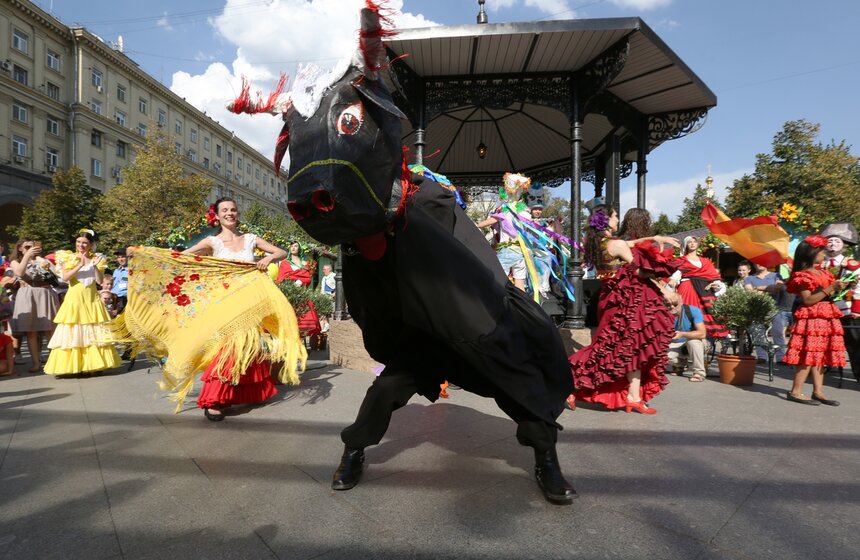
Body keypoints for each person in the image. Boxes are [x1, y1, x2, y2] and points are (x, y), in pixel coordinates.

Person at [182, 197, 289, 420]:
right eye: (225, 210)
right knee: (229, 349)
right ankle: (215, 399)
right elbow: (182, 256)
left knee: (248, 347)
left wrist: (268, 259)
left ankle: (243, 393)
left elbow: (282, 252)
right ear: (217, 215)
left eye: (233, 209)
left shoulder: (250, 239)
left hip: (250, 302)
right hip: (226, 304)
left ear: (237, 213)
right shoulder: (212, 242)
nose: (230, 213)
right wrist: (147, 255)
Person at [567, 206, 682, 414]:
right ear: (606, 220)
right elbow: (640, 272)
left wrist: (654, 238)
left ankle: (633, 397)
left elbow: (630, 243)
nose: (618, 220)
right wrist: (664, 284)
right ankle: (567, 383)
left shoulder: (600, 242)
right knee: (608, 349)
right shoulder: (616, 244)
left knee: (632, 348)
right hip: (623, 303)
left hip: (611, 298)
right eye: (615, 216)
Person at [43, 229, 122, 376]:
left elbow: (100, 281)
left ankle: (93, 364)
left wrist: (94, 266)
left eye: (85, 243)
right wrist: (79, 265)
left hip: (91, 299)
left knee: (92, 331)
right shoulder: (68, 257)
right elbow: (65, 277)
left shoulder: (97, 258)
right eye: (78, 242)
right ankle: (74, 366)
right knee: (73, 331)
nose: (81, 245)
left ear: (91, 244)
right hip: (75, 299)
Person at [783, 235, 848, 406]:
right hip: (812, 318)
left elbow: (826, 293)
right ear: (811, 253)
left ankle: (818, 391)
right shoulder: (803, 275)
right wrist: (831, 288)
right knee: (808, 355)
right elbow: (808, 300)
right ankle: (796, 391)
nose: (824, 254)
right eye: (821, 251)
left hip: (825, 316)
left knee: (820, 355)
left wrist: (842, 286)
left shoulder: (823, 272)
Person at [9, 238, 60, 372]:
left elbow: (58, 274)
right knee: (31, 331)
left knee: (50, 329)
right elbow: (19, 272)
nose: (30, 249)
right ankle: (36, 363)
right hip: (27, 294)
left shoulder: (41, 260)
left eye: (33, 247)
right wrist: (27, 256)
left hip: (45, 293)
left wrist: (43, 262)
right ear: (20, 248)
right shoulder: (16, 261)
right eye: (27, 247)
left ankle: (55, 361)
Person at [676, 236, 729, 339]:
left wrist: (716, 284)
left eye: (694, 241)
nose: (692, 243)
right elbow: (676, 274)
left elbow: (713, 276)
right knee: (687, 311)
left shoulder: (705, 261)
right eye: (689, 242)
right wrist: (673, 281)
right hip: (688, 289)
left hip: (704, 290)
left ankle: (707, 338)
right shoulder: (682, 260)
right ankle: (685, 335)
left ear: (697, 244)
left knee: (708, 312)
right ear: (686, 245)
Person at [743, 263, 787, 362]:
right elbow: (750, 292)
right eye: (757, 262)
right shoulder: (749, 278)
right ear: (754, 264)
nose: (759, 264)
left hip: (774, 309)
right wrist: (769, 289)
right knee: (758, 334)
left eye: (762, 262)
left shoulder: (776, 275)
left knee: (778, 333)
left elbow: (778, 288)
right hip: (757, 309)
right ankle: (762, 357)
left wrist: (757, 288)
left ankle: (781, 358)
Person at [667, 299, 708, 382]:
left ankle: (699, 373)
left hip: (694, 342)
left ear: (681, 303)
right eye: (668, 304)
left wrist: (682, 334)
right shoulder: (662, 313)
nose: (672, 307)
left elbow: (702, 333)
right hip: (676, 343)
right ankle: (680, 365)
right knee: (661, 355)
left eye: (675, 304)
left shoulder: (692, 310)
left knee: (693, 342)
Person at [110, 248, 130, 314]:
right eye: (119, 257)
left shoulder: (131, 271)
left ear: (128, 257)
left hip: (124, 299)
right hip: (113, 298)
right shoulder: (116, 271)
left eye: (123, 257)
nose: (121, 259)